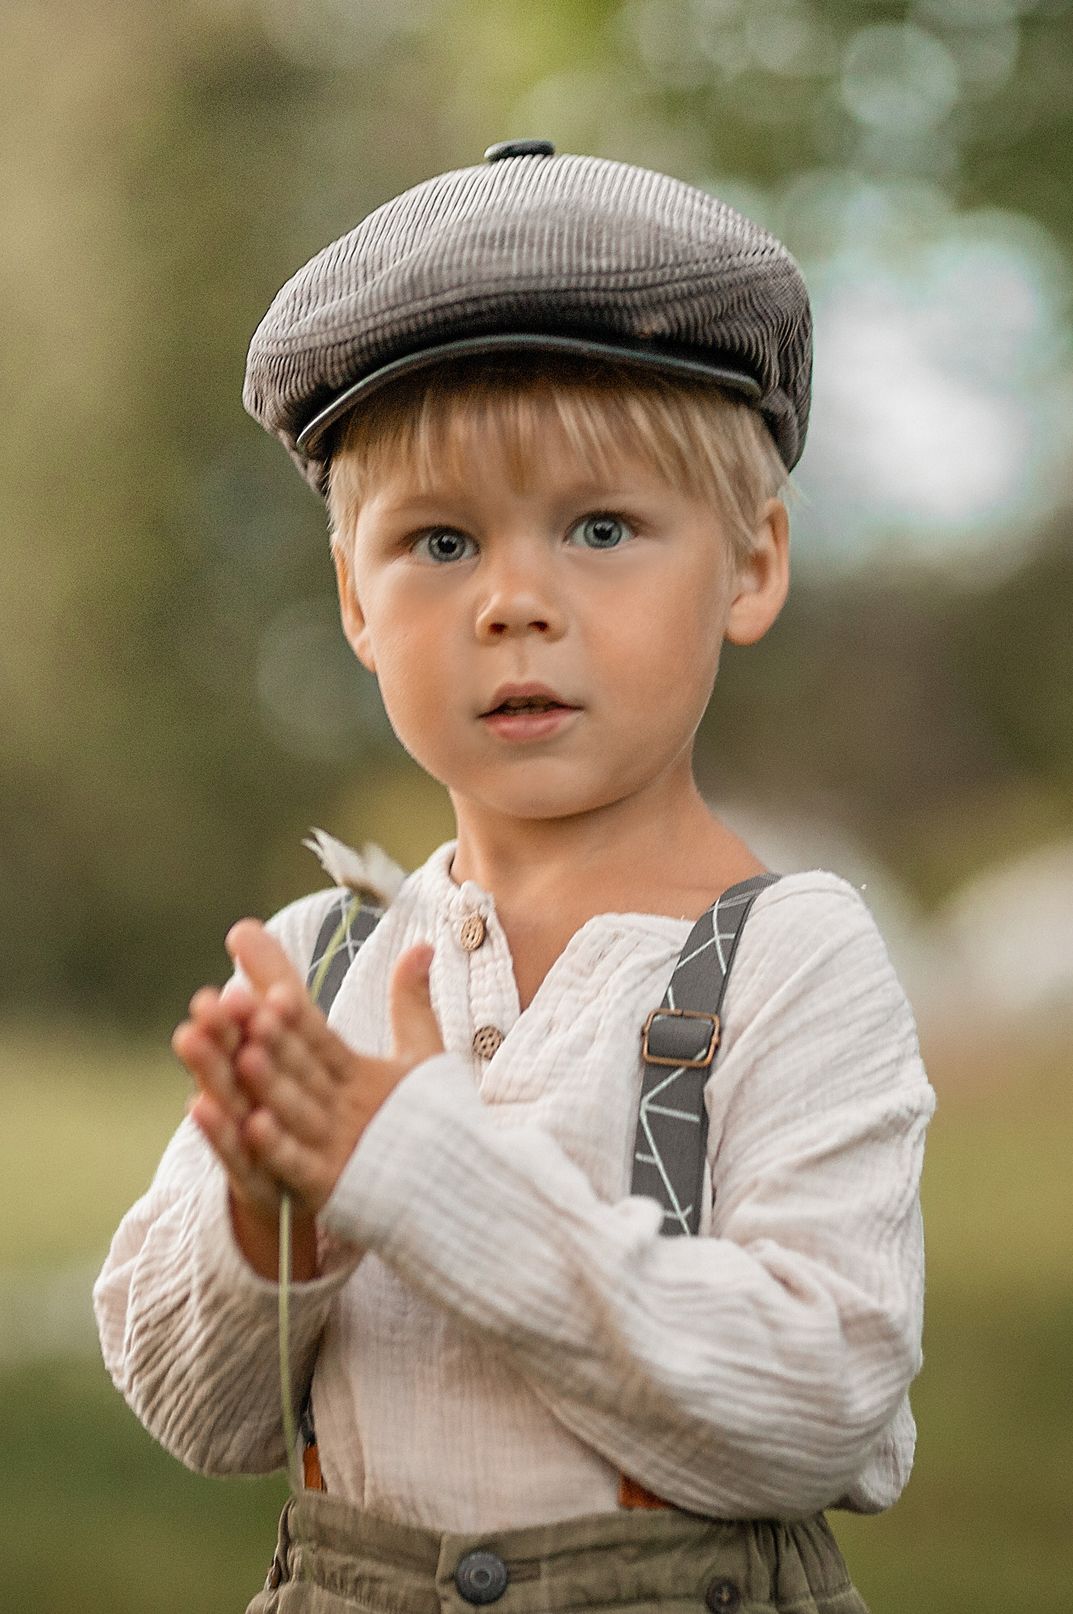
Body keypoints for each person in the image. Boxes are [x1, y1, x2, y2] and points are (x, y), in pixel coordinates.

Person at [93, 142, 932, 1614]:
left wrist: (426, 1174)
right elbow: (201, 1413)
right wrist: (268, 1231)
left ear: (749, 565)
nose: (515, 602)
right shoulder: (322, 965)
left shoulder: (790, 959)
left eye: (602, 529)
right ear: (357, 599)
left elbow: (819, 1400)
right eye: (438, 541)